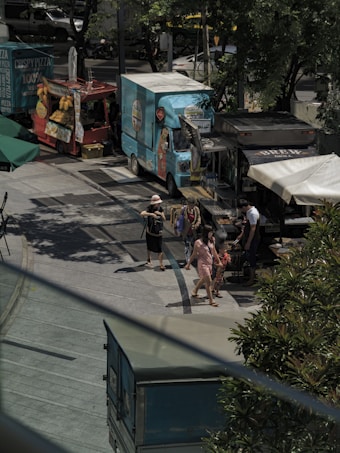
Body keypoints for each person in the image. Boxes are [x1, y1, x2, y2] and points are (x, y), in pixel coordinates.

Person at [185, 225, 222, 307]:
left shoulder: (212, 240)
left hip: (210, 263)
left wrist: (219, 261)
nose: (212, 234)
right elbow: (194, 254)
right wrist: (188, 264)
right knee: (208, 281)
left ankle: (195, 291)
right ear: (206, 233)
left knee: (204, 279)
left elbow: (214, 251)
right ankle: (211, 301)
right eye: (210, 232)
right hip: (202, 264)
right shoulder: (198, 242)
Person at [237, 198, 261, 286]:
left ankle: (252, 279)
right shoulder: (249, 212)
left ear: (244, 207)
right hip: (248, 237)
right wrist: (241, 235)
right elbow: (247, 226)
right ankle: (250, 275)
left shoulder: (252, 213)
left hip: (253, 239)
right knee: (248, 257)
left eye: (241, 209)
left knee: (252, 258)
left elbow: (253, 229)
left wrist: (248, 242)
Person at [141, 194, 166, 270]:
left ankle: (161, 264)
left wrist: (160, 214)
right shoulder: (149, 208)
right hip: (150, 231)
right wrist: (151, 214)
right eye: (157, 203)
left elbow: (164, 219)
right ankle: (149, 258)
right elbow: (142, 213)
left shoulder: (161, 209)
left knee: (160, 249)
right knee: (149, 246)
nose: (159, 205)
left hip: (158, 232)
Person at [179, 197, 201, 263]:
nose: (192, 206)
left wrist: (197, 225)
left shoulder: (196, 210)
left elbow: (199, 219)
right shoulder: (184, 209)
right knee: (187, 245)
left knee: (194, 245)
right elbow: (180, 219)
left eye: (193, 205)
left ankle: (193, 257)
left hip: (193, 230)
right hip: (186, 230)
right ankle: (188, 260)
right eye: (191, 205)